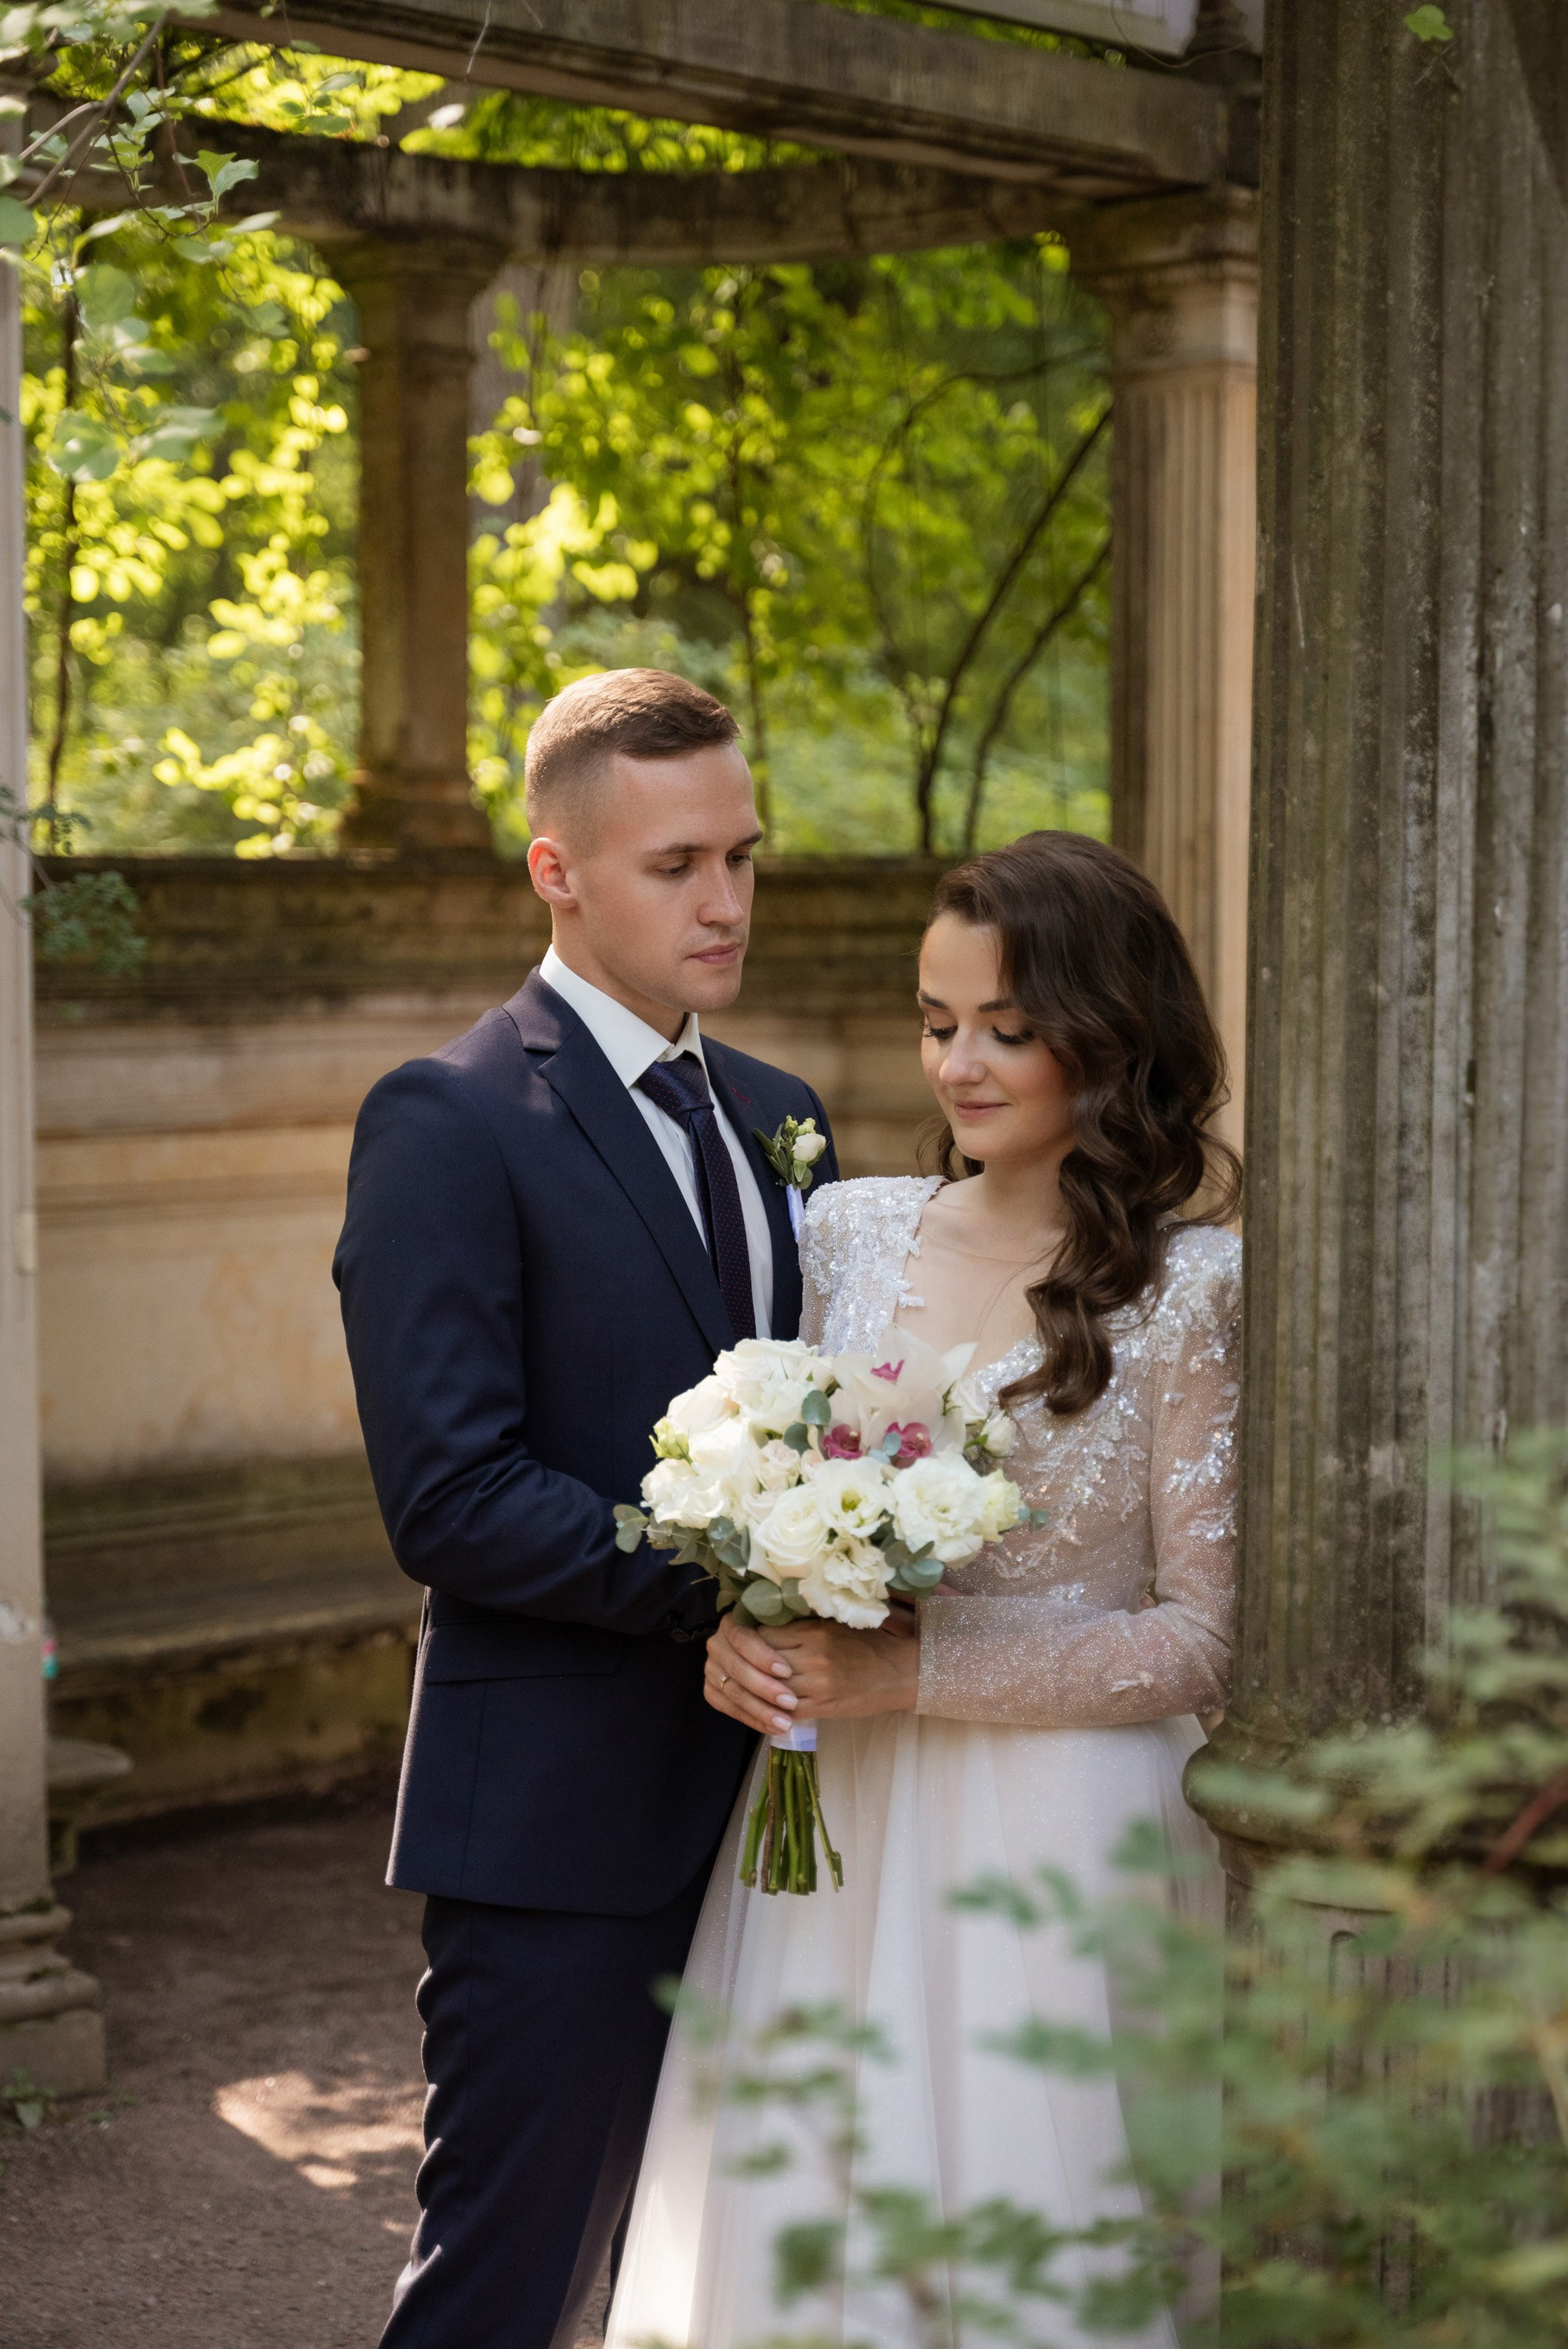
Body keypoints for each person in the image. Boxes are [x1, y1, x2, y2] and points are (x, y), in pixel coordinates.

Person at [607, 830, 1242, 2349]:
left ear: (1110, 1035)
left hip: (1063, 1838)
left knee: (1031, 2236)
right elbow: (790, 1504)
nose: (960, 1063)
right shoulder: (846, 1230)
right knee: (817, 2209)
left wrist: (917, 1670)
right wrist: (745, 1638)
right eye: (936, 1019)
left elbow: (1202, 1636)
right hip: (839, 1814)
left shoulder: (1196, 1285)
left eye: (1007, 1031)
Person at [334, 670, 839, 2349]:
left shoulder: (787, 1120)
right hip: (558, 1826)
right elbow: (451, 1495)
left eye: (743, 858)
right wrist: (726, 1588)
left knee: (746, 2265)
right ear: (556, 871)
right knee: (510, 2281)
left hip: (798, 1821)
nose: (726, 901)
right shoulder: (448, 1120)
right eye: (676, 865)